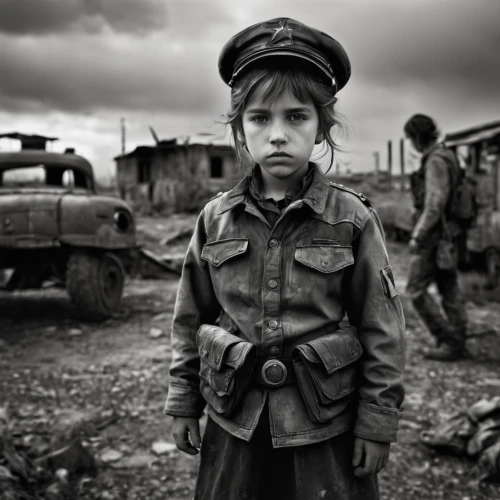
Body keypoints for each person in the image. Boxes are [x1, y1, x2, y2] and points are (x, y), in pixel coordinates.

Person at [165, 17, 406, 500]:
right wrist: (182, 401)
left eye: (296, 116)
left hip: (325, 428)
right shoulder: (215, 219)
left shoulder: (352, 219)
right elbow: (189, 318)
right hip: (236, 423)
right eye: (259, 117)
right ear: (240, 128)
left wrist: (377, 422)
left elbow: (383, 330)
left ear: (322, 127)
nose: (277, 134)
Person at [405, 113, 468, 361]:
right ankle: (457, 340)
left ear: (419, 137)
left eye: (411, 138)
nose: (411, 144)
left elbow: (434, 203)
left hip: (435, 236)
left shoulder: (435, 161)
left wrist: (417, 235)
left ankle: (448, 339)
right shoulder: (448, 155)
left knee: (416, 289)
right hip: (450, 234)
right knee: (448, 286)